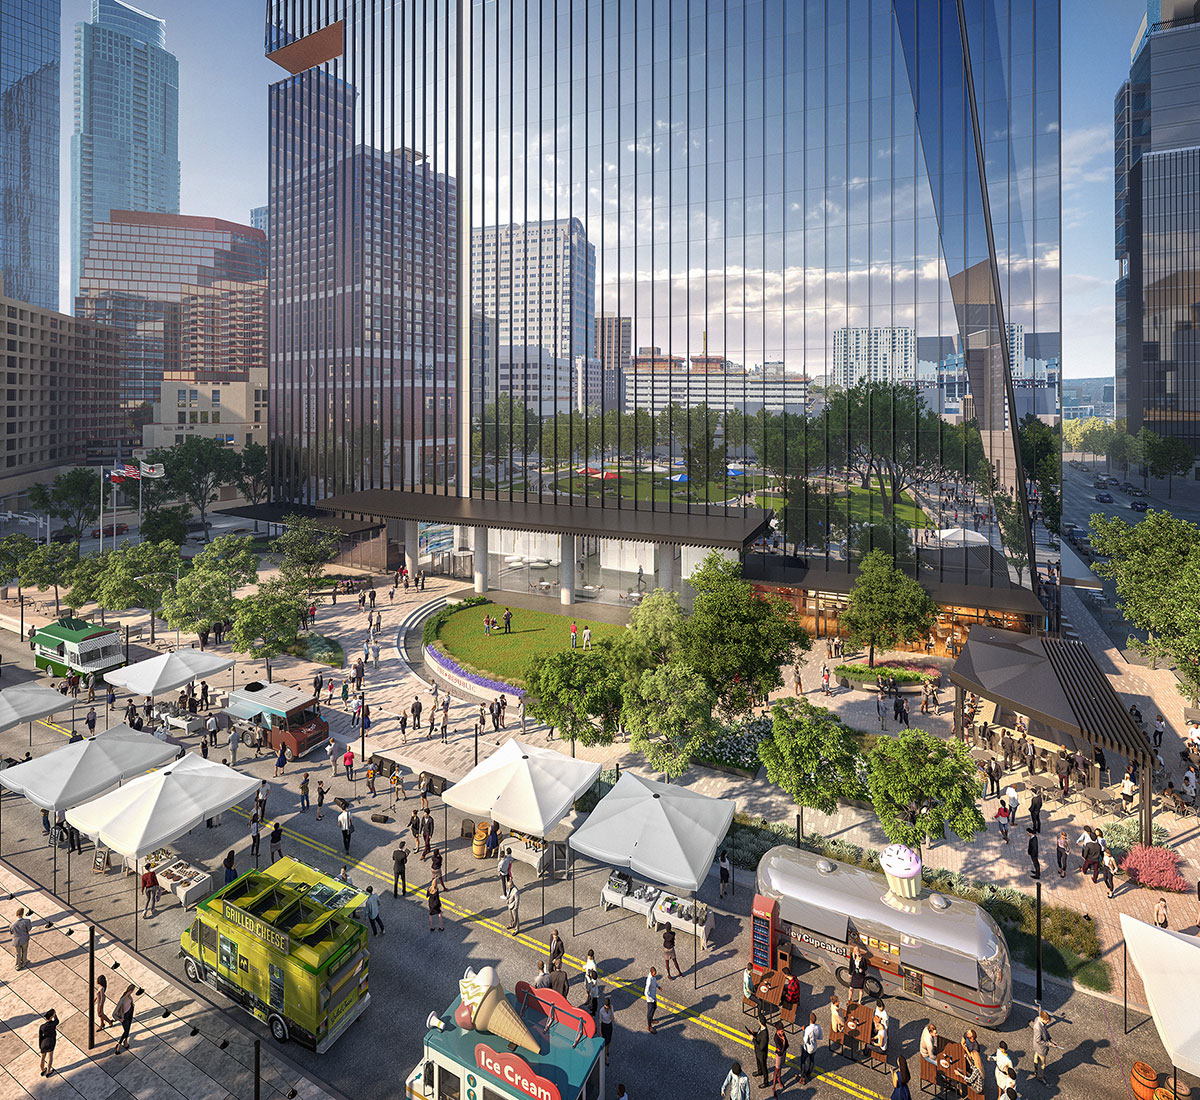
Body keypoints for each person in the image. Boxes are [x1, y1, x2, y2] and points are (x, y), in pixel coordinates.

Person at [1030, 1009, 1059, 1082]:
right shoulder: (1038, 1027)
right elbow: (1038, 1040)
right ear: (1042, 1018)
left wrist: (1051, 1039)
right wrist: (1049, 1044)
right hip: (1041, 1048)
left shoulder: (1037, 1019)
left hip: (1036, 1047)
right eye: (1047, 1021)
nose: (1047, 1023)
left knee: (1036, 1058)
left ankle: (1036, 1071)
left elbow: (1045, 1030)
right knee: (1042, 1064)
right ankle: (1040, 1076)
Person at [800, 1012, 823, 1086]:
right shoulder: (818, 1027)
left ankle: (803, 1077)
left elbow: (805, 1040)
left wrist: (803, 1031)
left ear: (810, 1020)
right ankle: (809, 1073)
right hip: (814, 1047)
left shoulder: (808, 1029)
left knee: (803, 1061)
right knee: (811, 1061)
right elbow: (820, 1037)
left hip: (807, 1048)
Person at [748, 1015, 771, 1089]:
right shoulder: (761, 1028)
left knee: (764, 1067)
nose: (758, 1020)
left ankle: (766, 1082)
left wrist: (753, 1040)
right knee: (758, 1062)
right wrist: (753, 1033)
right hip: (758, 1052)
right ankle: (759, 1071)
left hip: (762, 1054)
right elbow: (758, 1035)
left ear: (760, 1022)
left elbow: (761, 1047)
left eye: (758, 1020)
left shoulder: (765, 1035)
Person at [114, 985, 135, 1052]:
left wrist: (132, 1005)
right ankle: (119, 1044)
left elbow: (131, 1002)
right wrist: (119, 1019)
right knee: (126, 1030)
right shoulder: (122, 1000)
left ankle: (125, 1041)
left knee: (128, 1028)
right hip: (124, 1016)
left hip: (130, 1011)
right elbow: (113, 1014)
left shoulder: (129, 996)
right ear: (131, 990)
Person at [38, 1009, 58, 1077]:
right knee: (50, 1057)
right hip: (50, 1042)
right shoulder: (52, 1024)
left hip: (43, 1043)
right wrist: (55, 1015)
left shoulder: (42, 1026)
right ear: (51, 1017)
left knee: (42, 1057)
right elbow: (57, 1021)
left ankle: (43, 1070)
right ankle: (49, 1071)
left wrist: (40, 1045)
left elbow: (40, 1036)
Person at [772, 1021, 789, 1094]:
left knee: (781, 1067)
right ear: (778, 1030)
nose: (783, 1032)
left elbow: (787, 1045)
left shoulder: (782, 1034)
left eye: (783, 1031)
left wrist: (783, 1045)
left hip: (783, 1053)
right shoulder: (776, 1037)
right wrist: (783, 1041)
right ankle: (773, 1087)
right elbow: (781, 1050)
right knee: (776, 1069)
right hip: (779, 1055)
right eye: (781, 1031)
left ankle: (779, 1078)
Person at [582, 950, 601, 1015]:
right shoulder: (588, 959)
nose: (589, 958)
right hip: (587, 977)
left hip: (590, 979)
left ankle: (590, 1000)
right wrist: (585, 967)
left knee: (591, 990)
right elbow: (587, 964)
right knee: (587, 988)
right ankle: (589, 997)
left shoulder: (593, 964)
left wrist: (592, 979)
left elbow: (595, 974)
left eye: (590, 956)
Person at [598, 997, 614, 1065]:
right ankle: (606, 1059)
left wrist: (611, 1010)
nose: (606, 1008)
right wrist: (600, 1032)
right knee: (605, 1042)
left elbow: (612, 1019)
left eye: (607, 1006)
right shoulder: (601, 1011)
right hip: (604, 1026)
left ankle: (607, 1051)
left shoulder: (611, 1008)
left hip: (609, 1025)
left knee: (609, 1040)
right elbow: (600, 1022)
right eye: (605, 1006)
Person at [644, 966, 659, 1033]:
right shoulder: (649, 980)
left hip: (653, 996)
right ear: (651, 972)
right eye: (654, 973)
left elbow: (654, 982)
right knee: (650, 1012)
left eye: (655, 973)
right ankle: (649, 1026)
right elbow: (646, 992)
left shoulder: (653, 977)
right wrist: (651, 999)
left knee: (655, 1008)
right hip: (650, 999)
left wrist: (658, 986)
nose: (655, 975)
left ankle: (651, 1020)